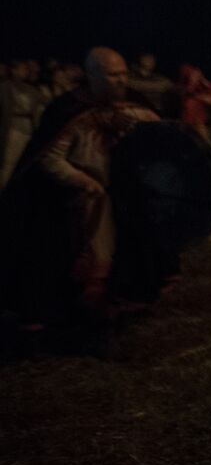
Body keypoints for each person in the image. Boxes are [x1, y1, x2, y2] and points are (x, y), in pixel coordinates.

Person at [0, 48, 159, 328]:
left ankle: (123, 300)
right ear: (92, 76)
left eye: (123, 73)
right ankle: (81, 313)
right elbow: (49, 157)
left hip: (125, 195)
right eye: (113, 75)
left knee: (134, 250)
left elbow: (162, 143)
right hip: (80, 199)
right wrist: (84, 182)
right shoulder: (69, 108)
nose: (121, 80)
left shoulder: (137, 105)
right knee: (84, 255)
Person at [0, 59, 50, 189]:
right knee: (8, 162)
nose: (24, 72)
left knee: (21, 162)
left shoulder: (31, 90)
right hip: (12, 129)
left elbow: (46, 102)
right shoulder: (6, 87)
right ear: (14, 70)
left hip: (27, 130)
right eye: (21, 69)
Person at [177, 64, 211, 141]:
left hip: (201, 121)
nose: (195, 75)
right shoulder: (184, 90)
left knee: (204, 141)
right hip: (188, 121)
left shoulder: (204, 87)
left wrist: (202, 80)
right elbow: (186, 91)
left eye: (197, 73)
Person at [126, 52, 175, 116]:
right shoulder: (128, 79)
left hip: (156, 114)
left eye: (151, 59)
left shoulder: (162, 80)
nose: (150, 61)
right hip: (134, 112)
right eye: (146, 58)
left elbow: (175, 89)